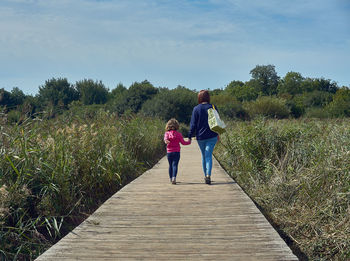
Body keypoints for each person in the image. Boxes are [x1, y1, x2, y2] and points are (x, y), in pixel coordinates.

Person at [188, 90, 218, 185]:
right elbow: (217, 122)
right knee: (208, 155)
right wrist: (218, 134)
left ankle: (206, 175)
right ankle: (208, 175)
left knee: (204, 156)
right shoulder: (213, 107)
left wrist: (189, 136)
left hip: (201, 137)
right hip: (212, 135)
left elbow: (193, 124)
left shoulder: (196, 109)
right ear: (208, 97)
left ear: (199, 98)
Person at [164, 118, 191, 184]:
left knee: (170, 165)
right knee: (175, 165)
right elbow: (183, 143)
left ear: (168, 126)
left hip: (169, 152)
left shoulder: (167, 133)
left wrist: (166, 141)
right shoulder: (179, 134)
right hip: (176, 152)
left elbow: (165, 139)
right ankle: (174, 178)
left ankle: (170, 179)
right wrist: (189, 141)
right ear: (177, 126)